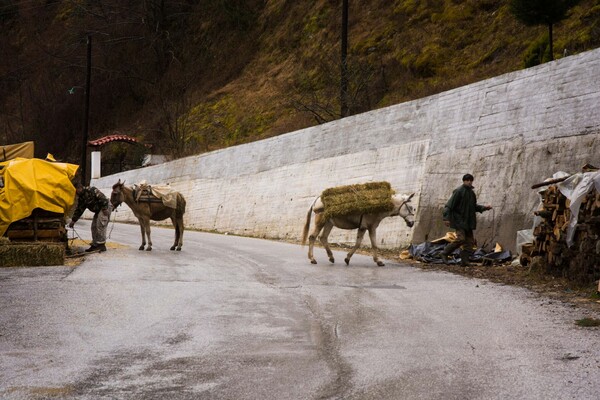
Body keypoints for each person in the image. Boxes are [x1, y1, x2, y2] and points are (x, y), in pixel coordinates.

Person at [441, 174, 492, 266]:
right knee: (461, 239)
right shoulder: (458, 191)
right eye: (467, 180)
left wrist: (484, 208)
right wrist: (446, 218)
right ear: (464, 181)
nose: (469, 182)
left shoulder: (471, 193)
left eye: (470, 180)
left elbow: (474, 207)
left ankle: (464, 261)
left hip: (468, 222)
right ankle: (444, 253)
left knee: (469, 242)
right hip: (459, 221)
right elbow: (449, 206)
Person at [68, 184, 112, 252]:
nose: (76, 193)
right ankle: (95, 245)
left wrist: (104, 208)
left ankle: (101, 245)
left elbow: (102, 198)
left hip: (104, 207)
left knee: (100, 225)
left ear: (80, 188)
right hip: (99, 209)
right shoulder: (81, 198)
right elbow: (79, 209)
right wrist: (73, 220)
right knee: (94, 226)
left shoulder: (91, 190)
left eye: (76, 190)